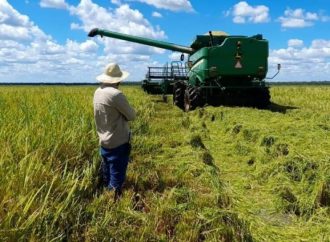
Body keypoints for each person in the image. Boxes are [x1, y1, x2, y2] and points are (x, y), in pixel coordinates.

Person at [93, 63, 136, 200]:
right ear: (118, 80)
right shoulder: (116, 94)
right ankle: (113, 203)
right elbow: (131, 116)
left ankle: (107, 194)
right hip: (118, 141)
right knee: (117, 176)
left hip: (104, 140)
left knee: (107, 173)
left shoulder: (98, 92)